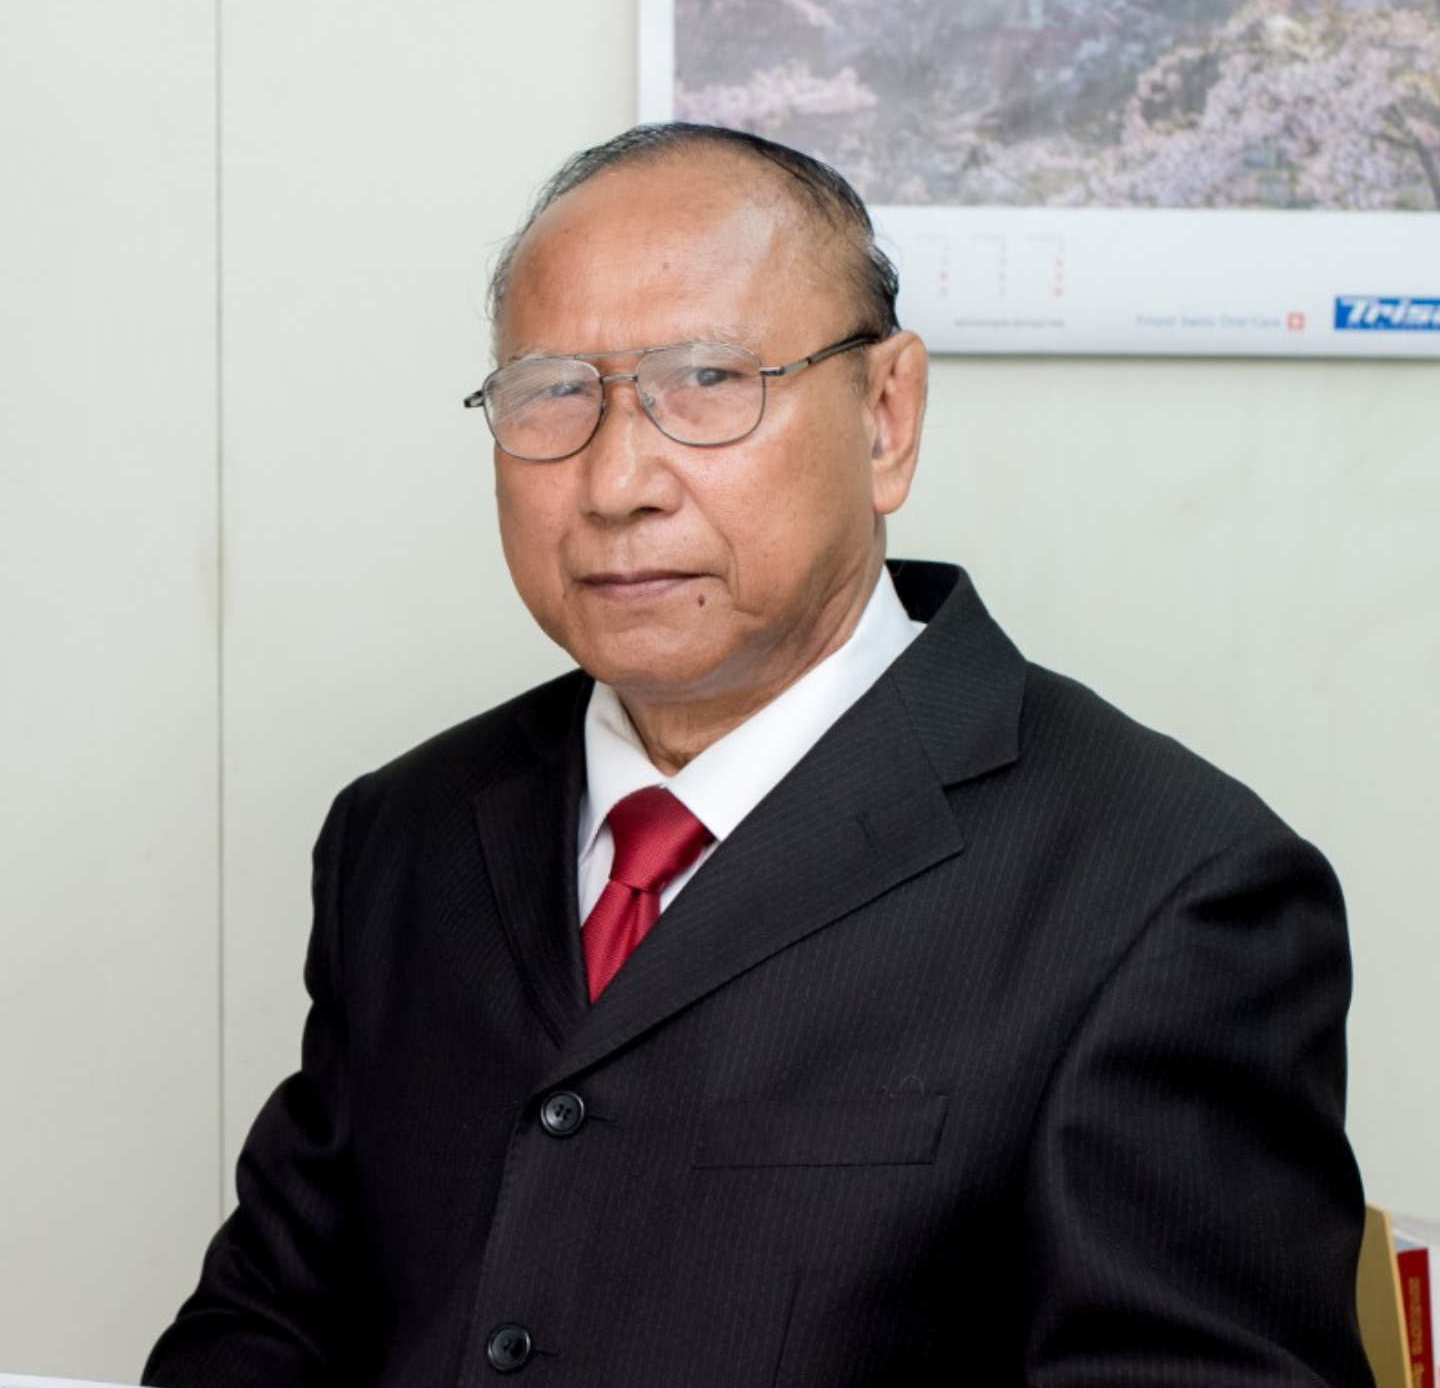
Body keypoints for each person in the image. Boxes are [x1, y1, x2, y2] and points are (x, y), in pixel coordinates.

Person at [144, 123, 1374, 1388]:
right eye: (554, 393)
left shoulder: (1167, 891)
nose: (617, 481)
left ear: (886, 418)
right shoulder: (406, 832)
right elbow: (272, 1320)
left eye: (708, 381)